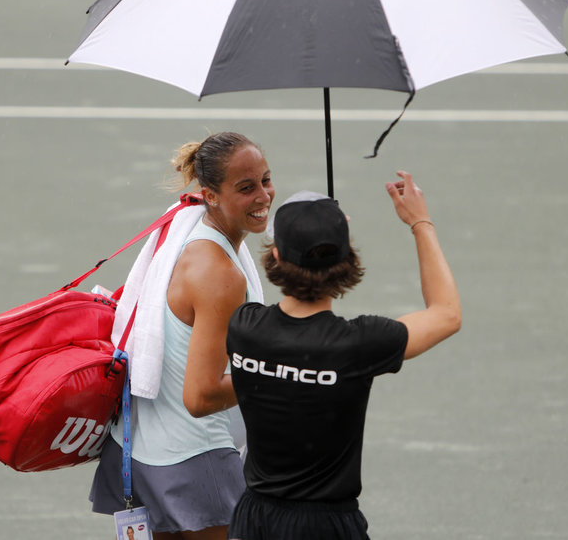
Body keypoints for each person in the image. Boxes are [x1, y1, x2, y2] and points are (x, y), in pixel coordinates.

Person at [225, 171, 462, 540]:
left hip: (254, 521)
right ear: (347, 258)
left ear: (275, 256)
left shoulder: (243, 327)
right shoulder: (360, 343)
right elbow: (446, 313)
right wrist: (420, 222)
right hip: (328, 527)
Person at [90, 132, 275, 540]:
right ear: (209, 195)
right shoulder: (221, 274)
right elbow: (202, 396)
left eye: (265, 179)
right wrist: (276, 371)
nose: (263, 196)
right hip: (193, 460)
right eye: (246, 188)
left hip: (137, 450)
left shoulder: (184, 234)